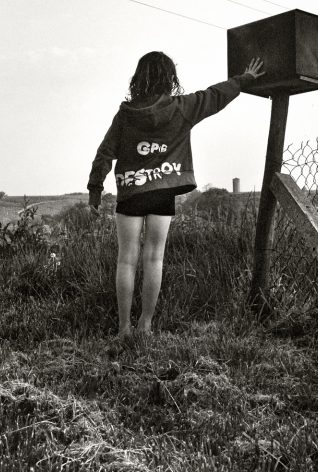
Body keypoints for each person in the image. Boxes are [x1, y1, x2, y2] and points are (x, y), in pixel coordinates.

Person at [88, 52, 263, 338]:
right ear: (170, 78)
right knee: (154, 258)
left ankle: (123, 328)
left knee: (126, 259)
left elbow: (104, 153)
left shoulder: (126, 114)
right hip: (162, 192)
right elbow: (215, 95)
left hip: (131, 191)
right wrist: (244, 79)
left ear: (138, 78)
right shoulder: (182, 108)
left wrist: (95, 191)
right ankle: (145, 325)